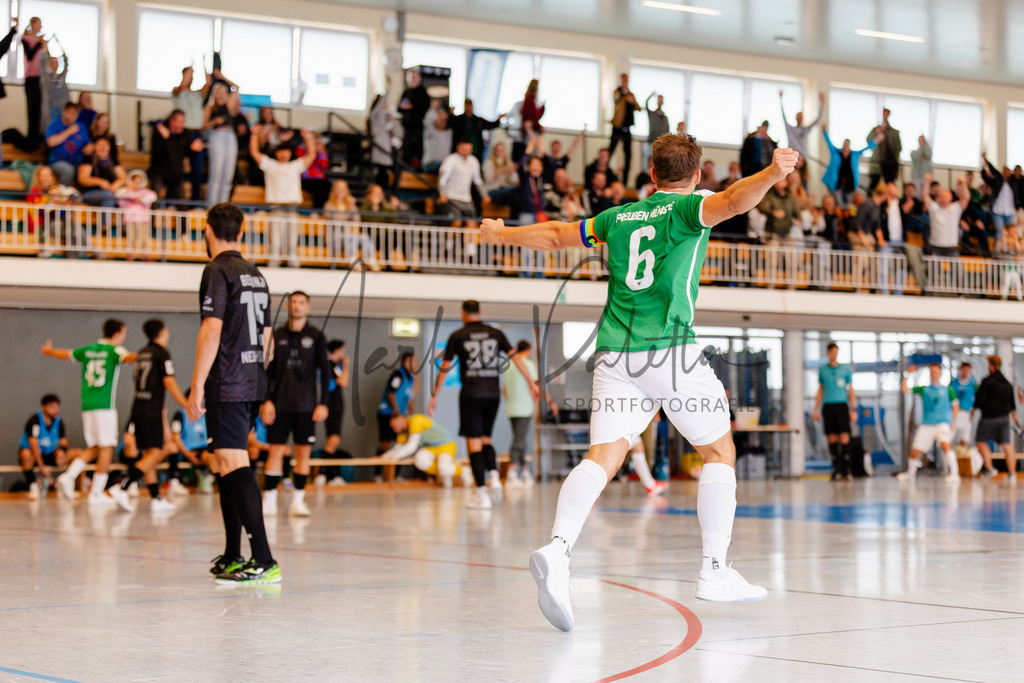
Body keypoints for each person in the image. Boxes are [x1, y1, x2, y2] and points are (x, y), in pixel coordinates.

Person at [481, 134, 800, 630]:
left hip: (615, 356)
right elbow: (736, 200)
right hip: (672, 351)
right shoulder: (691, 209)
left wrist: (503, 234)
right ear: (696, 176)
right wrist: (775, 173)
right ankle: (714, 570)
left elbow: (556, 235)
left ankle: (559, 548)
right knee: (718, 453)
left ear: (650, 174)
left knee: (604, 456)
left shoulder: (616, 218)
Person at [187, 203, 279, 585]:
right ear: (241, 233)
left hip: (227, 380)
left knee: (234, 463)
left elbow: (211, 329)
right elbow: (268, 342)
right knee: (226, 465)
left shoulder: (216, 270)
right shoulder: (256, 274)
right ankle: (233, 554)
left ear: (207, 230)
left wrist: (197, 384)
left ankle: (264, 559)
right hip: (250, 379)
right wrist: (259, 384)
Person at [429, 300, 539, 509]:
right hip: (492, 394)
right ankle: (495, 477)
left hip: (471, 393)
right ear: (479, 312)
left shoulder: (457, 336)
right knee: (486, 439)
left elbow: (444, 367)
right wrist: (531, 383)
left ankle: (481, 493)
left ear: (463, 314)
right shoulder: (495, 333)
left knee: (474, 445)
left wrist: (435, 394)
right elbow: (517, 360)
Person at [43, 319, 138, 506]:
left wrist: (49, 351)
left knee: (95, 446)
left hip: (87, 405)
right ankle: (96, 493)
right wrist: (147, 355)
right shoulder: (115, 350)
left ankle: (69, 476)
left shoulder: (87, 350)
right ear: (117, 333)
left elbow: (67, 354)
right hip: (104, 406)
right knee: (107, 447)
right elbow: (129, 358)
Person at [104, 320, 190, 513]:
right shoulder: (161, 354)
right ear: (161, 332)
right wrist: (186, 405)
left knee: (149, 452)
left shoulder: (142, 353)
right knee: (158, 451)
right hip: (151, 409)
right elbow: (169, 382)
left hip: (138, 407)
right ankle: (124, 485)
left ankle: (156, 498)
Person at [260, 291, 331, 518]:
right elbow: (267, 372)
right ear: (288, 306)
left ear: (307, 307)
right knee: (275, 451)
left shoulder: (317, 336)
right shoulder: (277, 334)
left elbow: (326, 373)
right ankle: (268, 501)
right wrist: (266, 400)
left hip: (306, 406)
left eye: (301, 303)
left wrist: (323, 404)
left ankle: (297, 502)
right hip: (279, 404)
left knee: (303, 454)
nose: (297, 306)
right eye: (293, 302)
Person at [249, 126, 318, 267]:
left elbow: (311, 155)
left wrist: (308, 138)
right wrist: (254, 134)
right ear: (277, 153)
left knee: (292, 239)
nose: (284, 154)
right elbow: (254, 152)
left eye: (286, 151)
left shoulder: (295, 165)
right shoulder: (270, 165)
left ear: (290, 153)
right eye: (281, 151)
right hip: (276, 207)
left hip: (292, 207)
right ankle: (273, 261)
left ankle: (292, 260)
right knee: (275, 239)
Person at [502, 340, 558, 487]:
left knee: (520, 439)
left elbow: (504, 390)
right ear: (528, 350)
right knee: (519, 440)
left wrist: (511, 401)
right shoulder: (528, 364)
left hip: (511, 408)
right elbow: (536, 387)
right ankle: (512, 473)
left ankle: (525, 473)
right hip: (524, 407)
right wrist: (551, 402)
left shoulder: (508, 366)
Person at [897, 363, 960, 484]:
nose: (934, 374)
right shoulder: (924, 389)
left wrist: (953, 423)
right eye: (932, 372)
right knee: (915, 451)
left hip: (942, 423)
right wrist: (908, 374)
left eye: (936, 372)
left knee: (945, 445)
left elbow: (955, 406)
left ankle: (955, 474)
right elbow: (904, 389)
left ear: (940, 373)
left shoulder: (948, 390)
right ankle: (910, 474)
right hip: (927, 424)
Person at [381, 414, 473, 488]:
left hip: (446, 445)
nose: (394, 430)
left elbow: (412, 446)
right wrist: (384, 457)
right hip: (430, 448)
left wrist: (395, 457)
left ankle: (463, 470)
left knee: (444, 468)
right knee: (420, 460)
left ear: (401, 419)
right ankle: (443, 473)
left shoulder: (416, 420)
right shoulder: (403, 432)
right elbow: (397, 448)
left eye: (394, 426)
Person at [812, 343, 858, 480]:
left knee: (844, 436)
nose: (834, 354)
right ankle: (836, 468)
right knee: (832, 437)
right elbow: (820, 390)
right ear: (828, 352)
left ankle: (846, 469)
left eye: (836, 352)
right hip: (828, 405)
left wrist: (853, 409)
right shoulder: (823, 370)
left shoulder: (845, 369)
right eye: (832, 352)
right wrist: (816, 409)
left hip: (842, 405)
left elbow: (851, 390)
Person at [18, 394, 77, 501]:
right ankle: (33, 486)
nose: (55, 410)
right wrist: (42, 468)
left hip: (49, 454)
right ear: (44, 407)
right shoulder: (34, 421)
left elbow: (64, 443)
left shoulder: (59, 422)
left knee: (77, 454)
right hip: (34, 456)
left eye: (57, 407)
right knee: (26, 454)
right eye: (52, 406)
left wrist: (62, 451)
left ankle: (68, 483)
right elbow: (34, 447)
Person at [973, 355, 1019, 481]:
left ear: (991, 366)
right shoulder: (1007, 383)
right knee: (1007, 445)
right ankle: (1012, 474)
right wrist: (1015, 417)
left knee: (981, 442)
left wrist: (972, 411)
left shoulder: (987, 381)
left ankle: (989, 469)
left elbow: (979, 400)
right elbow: (1012, 403)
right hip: (1004, 418)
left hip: (988, 417)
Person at [149, 110, 204, 202]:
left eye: (184, 122)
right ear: (172, 121)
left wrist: (194, 150)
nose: (182, 125)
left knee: (181, 203)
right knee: (154, 199)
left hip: (175, 174)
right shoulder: (160, 132)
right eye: (180, 122)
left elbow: (187, 152)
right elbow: (163, 151)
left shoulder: (185, 134)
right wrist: (168, 138)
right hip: (158, 172)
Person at [319, 340, 350, 486]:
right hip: (332, 407)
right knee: (333, 440)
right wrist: (347, 365)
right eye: (342, 350)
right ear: (336, 350)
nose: (344, 353)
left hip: (337, 406)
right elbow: (343, 381)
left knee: (334, 440)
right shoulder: (330, 365)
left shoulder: (335, 367)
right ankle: (325, 474)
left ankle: (329, 475)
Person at [822, 124, 874, 208]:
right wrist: (824, 132)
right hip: (837, 184)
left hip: (849, 184)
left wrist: (875, 141)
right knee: (839, 203)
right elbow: (829, 143)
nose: (846, 147)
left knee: (849, 204)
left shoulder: (854, 155)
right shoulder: (836, 153)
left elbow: (866, 149)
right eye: (844, 145)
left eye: (847, 145)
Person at [377, 351, 417, 455]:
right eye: (413, 361)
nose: (416, 363)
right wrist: (395, 409)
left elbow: (411, 397)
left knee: (401, 443)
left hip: (400, 415)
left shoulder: (411, 378)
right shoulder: (398, 374)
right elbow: (390, 392)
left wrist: (411, 415)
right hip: (388, 413)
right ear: (406, 361)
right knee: (385, 442)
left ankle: (394, 470)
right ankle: (378, 470)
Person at [203, 84, 237, 206]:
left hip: (230, 136)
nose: (221, 95)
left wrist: (221, 76)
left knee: (228, 173)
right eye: (219, 92)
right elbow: (203, 126)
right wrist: (214, 122)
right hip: (216, 135)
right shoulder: (210, 107)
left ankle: (223, 204)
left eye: (223, 92)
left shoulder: (229, 106)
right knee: (216, 171)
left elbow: (236, 87)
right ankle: (211, 204)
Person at [922, 173, 970, 258]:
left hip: (951, 247)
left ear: (950, 198)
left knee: (957, 271)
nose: (944, 199)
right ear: (938, 198)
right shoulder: (934, 208)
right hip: (935, 246)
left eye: (946, 197)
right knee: (933, 271)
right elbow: (925, 195)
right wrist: (927, 182)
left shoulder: (955, 208)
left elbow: (966, 198)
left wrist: (963, 184)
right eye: (942, 196)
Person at [46, 102, 90, 187]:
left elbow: (88, 143)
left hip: (77, 162)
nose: (72, 117)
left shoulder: (81, 127)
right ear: (64, 112)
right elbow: (50, 142)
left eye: (75, 114)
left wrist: (89, 147)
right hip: (57, 162)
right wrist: (68, 132)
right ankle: (64, 194)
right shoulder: (54, 125)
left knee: (87, 169)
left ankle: (84, 196)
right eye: (70, 113)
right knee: (68, 170)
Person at [77, 136, 126, 208]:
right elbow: (83, 179)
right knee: (109, 198)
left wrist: (115, 185)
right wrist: (100, 182)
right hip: (91, 193)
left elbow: (123, 177)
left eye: (106, 145)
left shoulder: (113, 160)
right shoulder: (88, 159)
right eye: (100, 145)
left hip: (111, 193)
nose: (103, 148)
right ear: (94, 147)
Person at [779, 90, 824, 167]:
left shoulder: (806, 130)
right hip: (792, 160)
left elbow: (817, 120)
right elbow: (783, 117)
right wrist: (781, 100)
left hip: (804, 161)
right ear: (796, 118)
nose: (799, 118)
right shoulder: (790, 130)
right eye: (798, 116)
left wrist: (822, 104)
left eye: (801, 117)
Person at [609, 74, 640, 181]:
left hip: (627, 129)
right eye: (623, 80)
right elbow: (616, 99)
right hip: (617, 127)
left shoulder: (631, 94)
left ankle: (625, 181)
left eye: (626, 80)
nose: (624, 82)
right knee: (610, 152)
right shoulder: (617, 92)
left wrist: (631, 100)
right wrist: (623, 94)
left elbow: (638, 107)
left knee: (628, 157)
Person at [22, 17, 47, 143]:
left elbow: (45, 58)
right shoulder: (25, 38)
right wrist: (38, 43)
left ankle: (37, 136)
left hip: (40, 78)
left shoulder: (40, 41)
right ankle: (31, 137)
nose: (40, 26)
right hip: (30, 78)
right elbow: (30, 55)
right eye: (39, 24)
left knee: (39, 109)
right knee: (32, 109)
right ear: (32, 24)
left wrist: (44, 45)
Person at [398, 69, 430, 168]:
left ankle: (417, 166)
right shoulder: (406, 92)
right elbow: (399, 108)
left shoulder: (422, 92)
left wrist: (413, 106)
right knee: (406, 147)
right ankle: (405, 165)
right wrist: (403, 107)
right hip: (407, 125)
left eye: (414, 77)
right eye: (410, 77)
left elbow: (424, 107)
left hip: (417, 125)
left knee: (417, 147)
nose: (412, 79)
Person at [867, 108, 902, 189]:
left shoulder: (894, 133)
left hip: (889, 164)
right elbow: (869, 142)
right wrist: (878, 132)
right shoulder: (875, 130)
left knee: (889, 186)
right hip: (877, 163)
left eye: (887, 114)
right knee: (873, 186)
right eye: (884, 113)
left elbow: (898, 148)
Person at [950, 362, 977, 452]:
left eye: (968, 370)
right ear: (960, 370)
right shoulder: (953, 384)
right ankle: (947, 464)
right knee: (949, 439)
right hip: (954, 414)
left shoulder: (973, 385)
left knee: (965, 441)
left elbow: (977, 400)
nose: (966, 372)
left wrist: (972, 413)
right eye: (964, 370)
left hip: (967, 414)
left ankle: (962, 463)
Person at [642, 92, 670, 176]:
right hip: (650, 142)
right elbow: (646, 103)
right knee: (646, 163)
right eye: (659, 100)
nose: (660, 102)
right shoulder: (652, 114)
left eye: (662, 100)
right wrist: (652, 94)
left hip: (660, 145)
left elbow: (667, 131)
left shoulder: (665, 117)